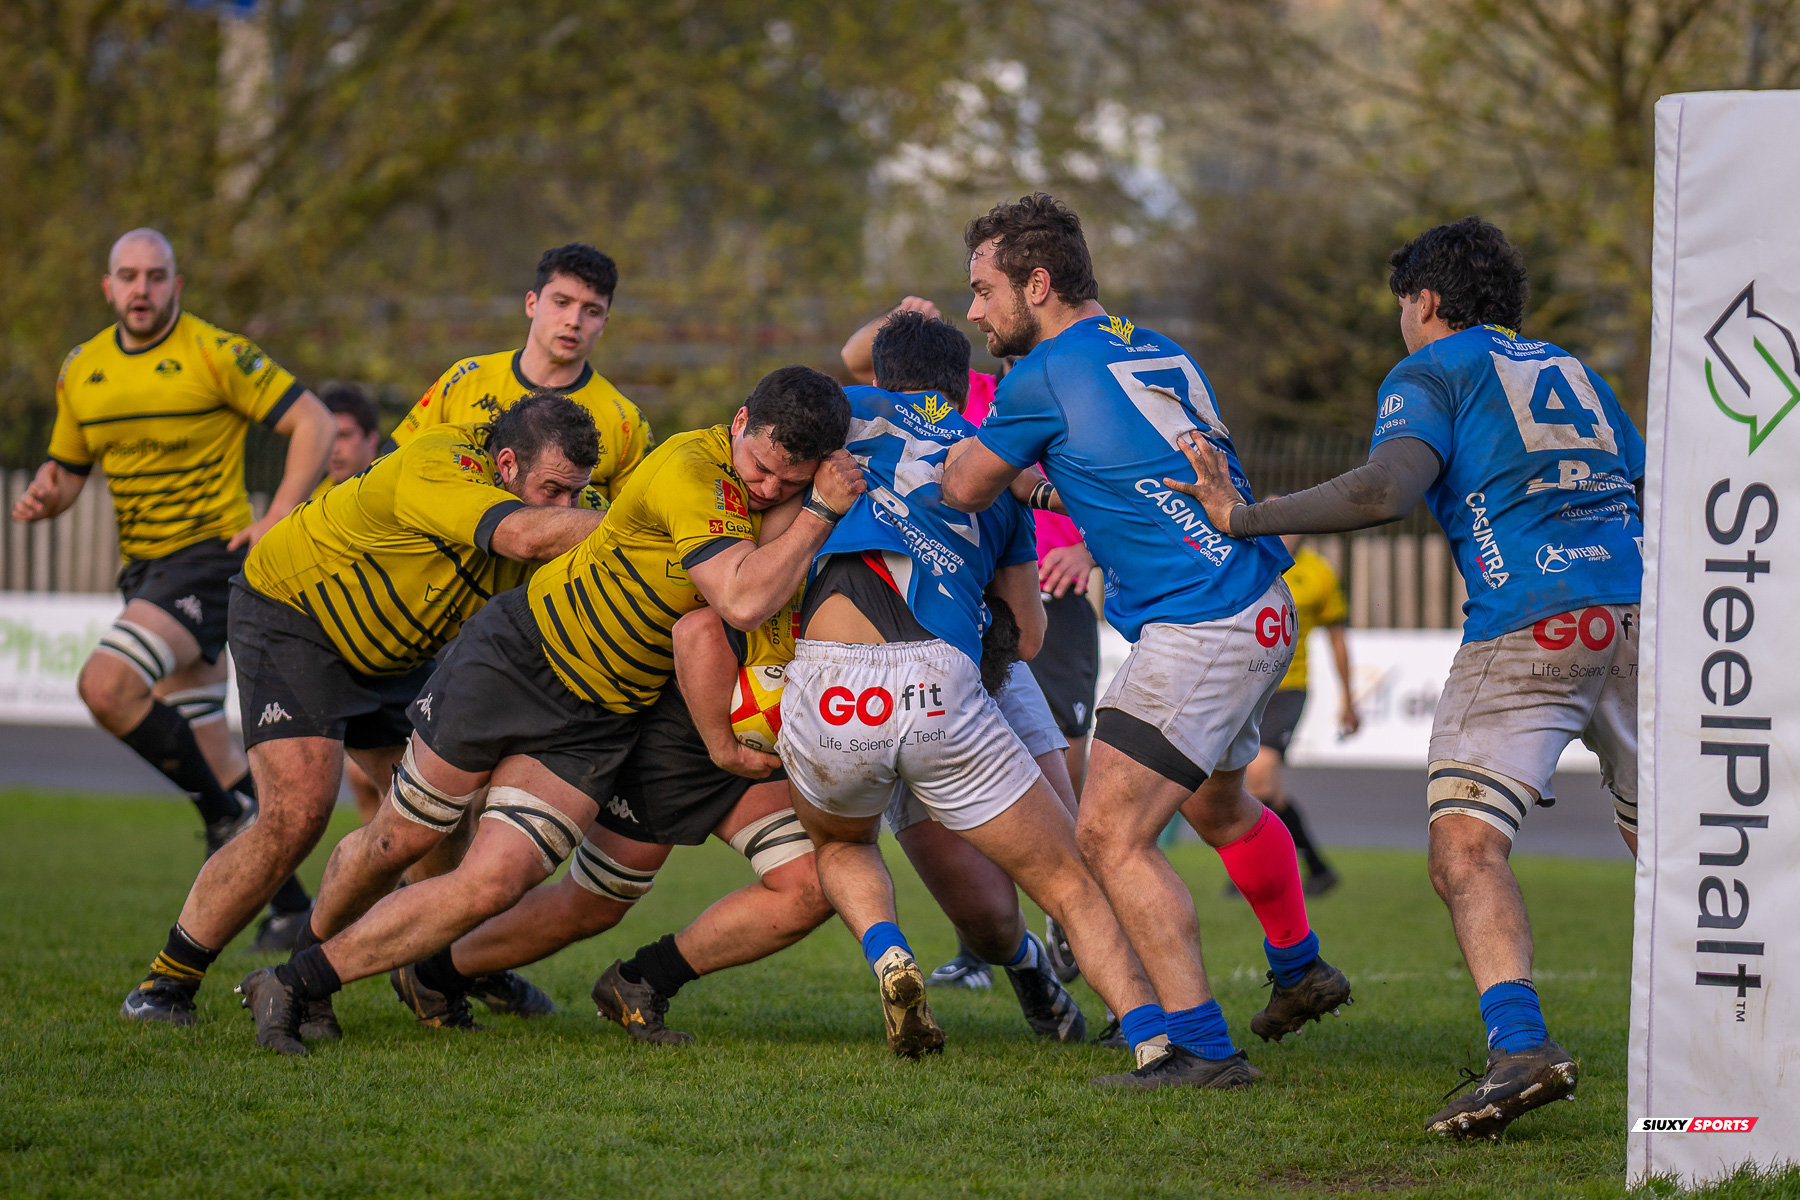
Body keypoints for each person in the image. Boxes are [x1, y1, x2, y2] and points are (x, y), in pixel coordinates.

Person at [1164, 216, 1641, 1139]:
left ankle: (1521, 1045)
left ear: (1424, 301)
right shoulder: (1579, 372)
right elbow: (1649, 488)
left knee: (1466, 848)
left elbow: (1387, 488)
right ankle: (1749, 1022)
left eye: (1401, 310)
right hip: (1637, 619)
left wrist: (1245, 513)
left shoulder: (1434, 368)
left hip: (1530, 626)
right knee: (1677, 851)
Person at [237, 367, 865, 1056]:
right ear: (739, 423)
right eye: (762, 467)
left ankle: (292, 983)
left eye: (790, 478)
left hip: (599, 714)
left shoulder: (781, 490)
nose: (769, 487)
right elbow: (742, 601)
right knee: (400, 839)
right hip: (519, 659)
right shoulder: (692, 466)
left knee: (495, 881)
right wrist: (820, 509)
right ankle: (304, 970)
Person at [940, 194, 1353, 1089]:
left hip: (1198, 625)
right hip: (1260, 603)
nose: (975, 311)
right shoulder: (1158, 347)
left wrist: (936, 449)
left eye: (982, 290)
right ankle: (1298, 966)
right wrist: (1054, 499)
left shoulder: (1039, 375)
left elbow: (967, 486)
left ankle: (1200, 1050)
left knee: (1111, 834)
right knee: (1217, 807)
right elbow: (1130, 477)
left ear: (1036, 284)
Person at [121, 391, 610, 1028]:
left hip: (396, 653)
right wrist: (647, 527)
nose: (568, 507)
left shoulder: (569, 504)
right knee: (297, 814)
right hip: (297, 615)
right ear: (507, 463)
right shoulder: (438, 461)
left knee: (438, 820)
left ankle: (398, 974)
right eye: (554, 490)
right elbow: (521, 534)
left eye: (578, 493)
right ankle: (165, 984)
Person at [782, 311, 1160, 1060]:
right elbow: (1028, 635)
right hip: (950, 679)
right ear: (968, 387)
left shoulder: (842, 416)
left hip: (828, 682)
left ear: (876, 375)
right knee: (1065, 877)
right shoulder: (993, 454)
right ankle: (1150, 1034)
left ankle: (892, 951)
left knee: (840, 843)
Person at [11, 227, 333, 924]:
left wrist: (279, 513)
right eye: (128, 276)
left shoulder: (215, 353)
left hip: (210, 558)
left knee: (106, 684)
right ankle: (289, 914)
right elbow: (68, 472)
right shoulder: (81, 368)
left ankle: (222, 821)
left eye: (156, 276)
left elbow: (313, 420)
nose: (141, 289)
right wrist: (46, 494)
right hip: (145, 569)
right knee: (208, 739)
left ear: (176, 285)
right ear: (108, 286)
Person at [844, 297, 1099, 990]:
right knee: (1001, 899)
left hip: (995, 633)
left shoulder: (1067, 395)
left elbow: (1075, 493)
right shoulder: (893, 405)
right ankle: (1020, 960)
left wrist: (1078, 541)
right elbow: (860, 361)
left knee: (1061, 825)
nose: (982, 313)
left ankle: (1103, 984)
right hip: (922, 655)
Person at [390, 243, 649, 502]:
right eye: (561, 302)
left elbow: (638, 528)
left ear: (604, 324)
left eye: (592, 311)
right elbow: (389, 469)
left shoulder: (625, 422)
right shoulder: (465, 379)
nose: (574, 321)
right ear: (531, 304)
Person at [1223, 530, 1360, 901]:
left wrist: (1348, 699)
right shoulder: (1244, 564)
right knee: (1268, 791)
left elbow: (1337, 639)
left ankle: (1251, 873)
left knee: (1259, 772)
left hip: (1288, 688)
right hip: (1245, 687)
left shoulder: (1318, 574)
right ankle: (1318, 867)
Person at [303, 383, 391, 835]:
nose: (334, 449)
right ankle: (388, 884)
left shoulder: (391, 489)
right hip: (347, 653)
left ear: (372, 440)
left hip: (406, 651)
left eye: (345, 436)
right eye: (328, 437)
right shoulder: (312, 500)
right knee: (362, 779)